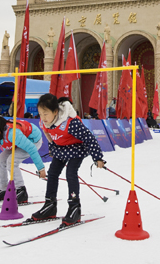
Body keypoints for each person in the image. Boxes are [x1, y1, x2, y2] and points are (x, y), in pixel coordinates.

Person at [32, 94, 105, 226]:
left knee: (70, 173)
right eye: (40, 114)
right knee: (52, 173)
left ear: (55, 112)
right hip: (61, 148)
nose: (43, 118)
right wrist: (53, 149)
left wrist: (97, 157)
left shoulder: (70, 123)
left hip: (76, 148)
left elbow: (89, 138)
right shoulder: (45, 122)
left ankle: (74, 207)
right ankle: (50, 205)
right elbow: (50, 136)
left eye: (45, 114)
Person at [0, 115, 45, 204]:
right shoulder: (0, 136)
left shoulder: (12, 134)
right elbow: (7, 147)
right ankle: (4, 189)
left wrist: (41, 168)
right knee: (0, 160)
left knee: (11, 162)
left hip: (32, 140)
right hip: (18, 143)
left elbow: (31, 148)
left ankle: (21, 190)